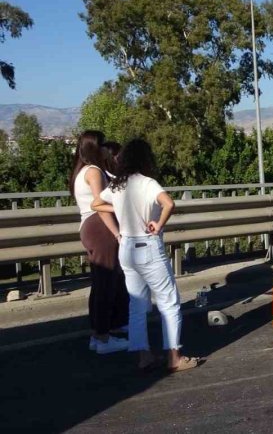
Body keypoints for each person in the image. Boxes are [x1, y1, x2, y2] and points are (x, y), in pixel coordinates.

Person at [92, 139, 201, 373]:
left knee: (137, 305)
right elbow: (168, 204)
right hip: (148, 246)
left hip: (126, 248)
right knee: (168, 301)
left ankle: (143, 356)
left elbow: (96, 204)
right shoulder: (148, 183)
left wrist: (119, 210)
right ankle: (174, 356)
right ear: (145, 159)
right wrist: (159, 224)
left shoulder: (118, 185)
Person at [70, 131, 129, 354]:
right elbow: (99, 204)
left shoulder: (82, 170)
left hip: (89, 226)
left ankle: (100, 333)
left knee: (102, 282)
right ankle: (103, 338)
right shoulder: (94, 172)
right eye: (103, 145)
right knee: (106, 283)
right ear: (96, 148)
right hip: (99, 227)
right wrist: (117, 232)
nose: (107, 148)